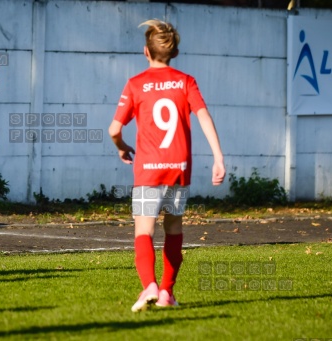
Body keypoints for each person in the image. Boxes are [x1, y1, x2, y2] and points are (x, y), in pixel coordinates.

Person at [108, 19, 225, 312]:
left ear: (145, 52)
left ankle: (149, 284)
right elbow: (204, 116)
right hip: (178, 168)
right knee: (173, 229)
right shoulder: (186, 81)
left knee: (143, 231)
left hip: (149, 168)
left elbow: (113, 129)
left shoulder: (136, 84)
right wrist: (218, 158)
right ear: (174, 53)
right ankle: (166, 293)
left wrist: (122, 147)